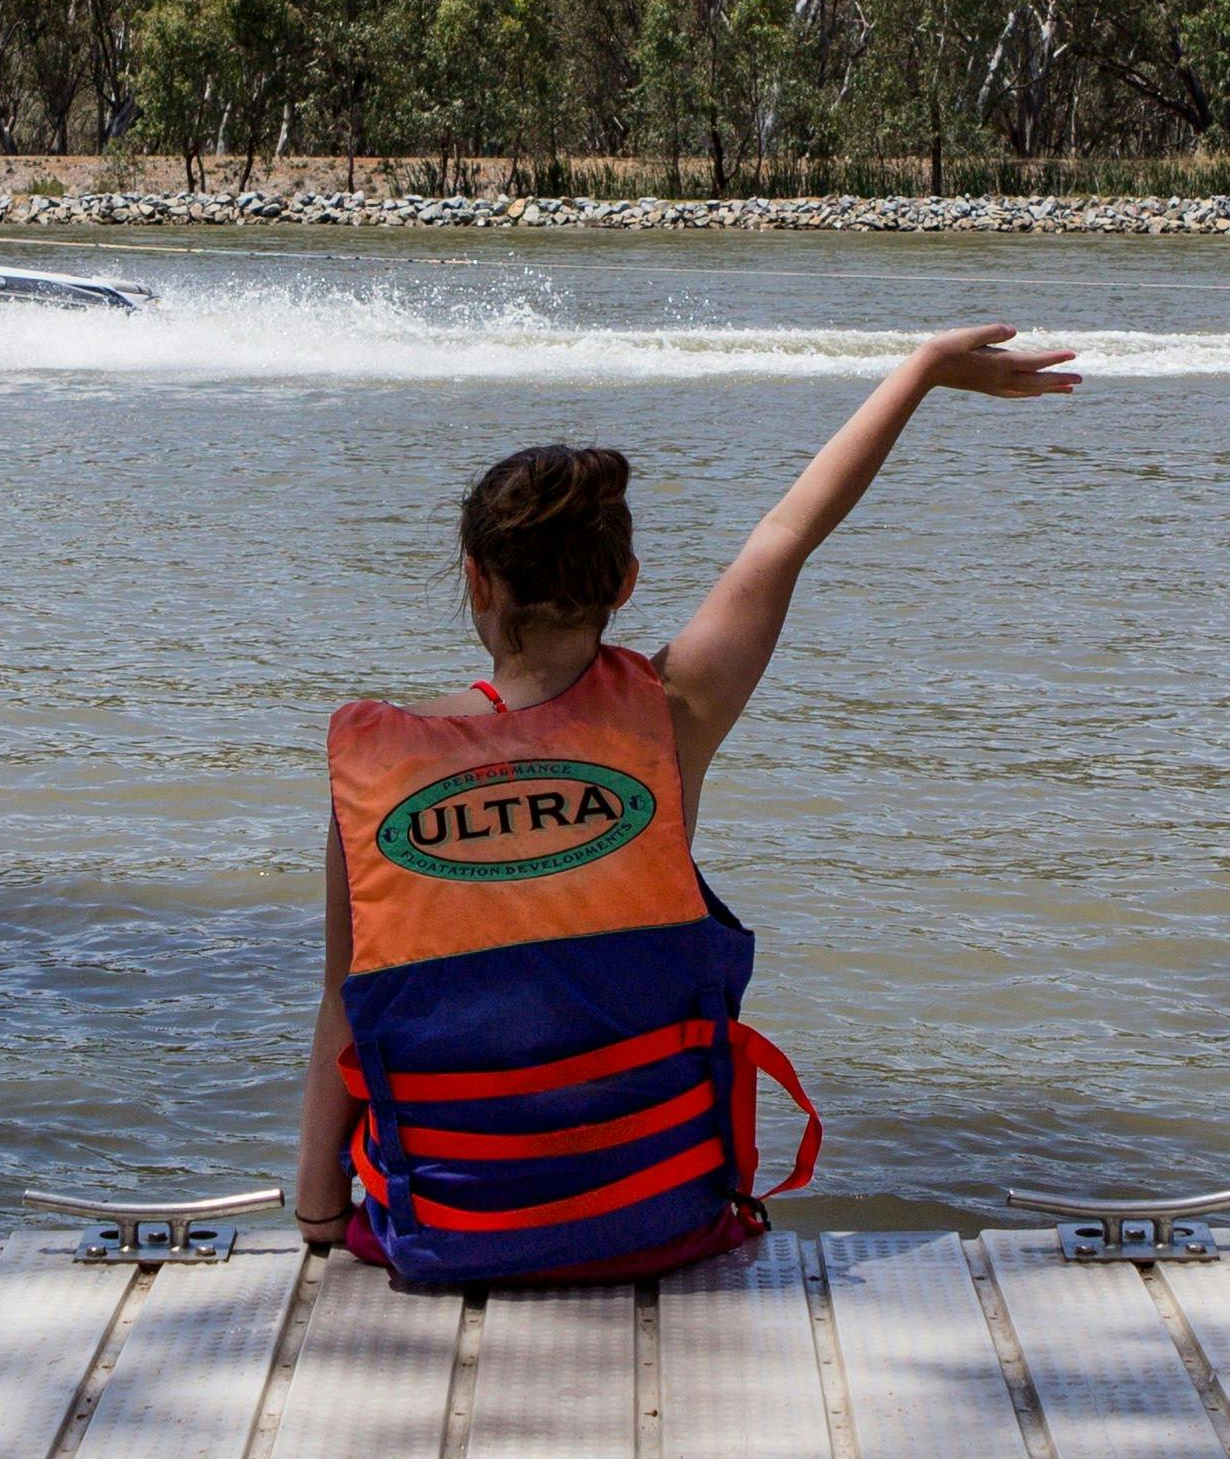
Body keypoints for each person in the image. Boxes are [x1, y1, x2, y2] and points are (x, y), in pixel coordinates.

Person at [297, 322, 1079, 1284]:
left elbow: (344, 1009)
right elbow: (787, 538)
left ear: (476, 582)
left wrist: (321, 1210)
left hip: (449, 1235)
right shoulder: (668, 722)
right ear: (625, 585)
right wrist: (917, 374)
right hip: (655, 1220)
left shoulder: (378, 768)